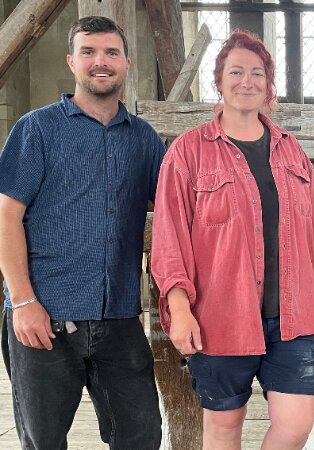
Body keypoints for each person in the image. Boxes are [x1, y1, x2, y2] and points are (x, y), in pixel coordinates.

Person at [151, 31, 314, 450]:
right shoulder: (187, 153)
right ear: (219, 81)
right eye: (236, 71)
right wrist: (179, 310)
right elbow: (169, 241)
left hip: (294, 318)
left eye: (257, 73)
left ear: (269, 85)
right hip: (220, 318)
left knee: (296, 424)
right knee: (224, 427)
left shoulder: (292, 152)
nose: (246, 81)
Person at [0, 16, 163, 449]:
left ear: (126, 63)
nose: (100, 62)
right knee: (44, 441)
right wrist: (23, 301)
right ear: (72, 61)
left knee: (141, 435)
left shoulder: (144, 140)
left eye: (111, 52)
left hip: (120, 317)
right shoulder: (37, 129)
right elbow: (5, 217)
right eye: (88, 52)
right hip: (45, 316)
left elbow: (177, 210)